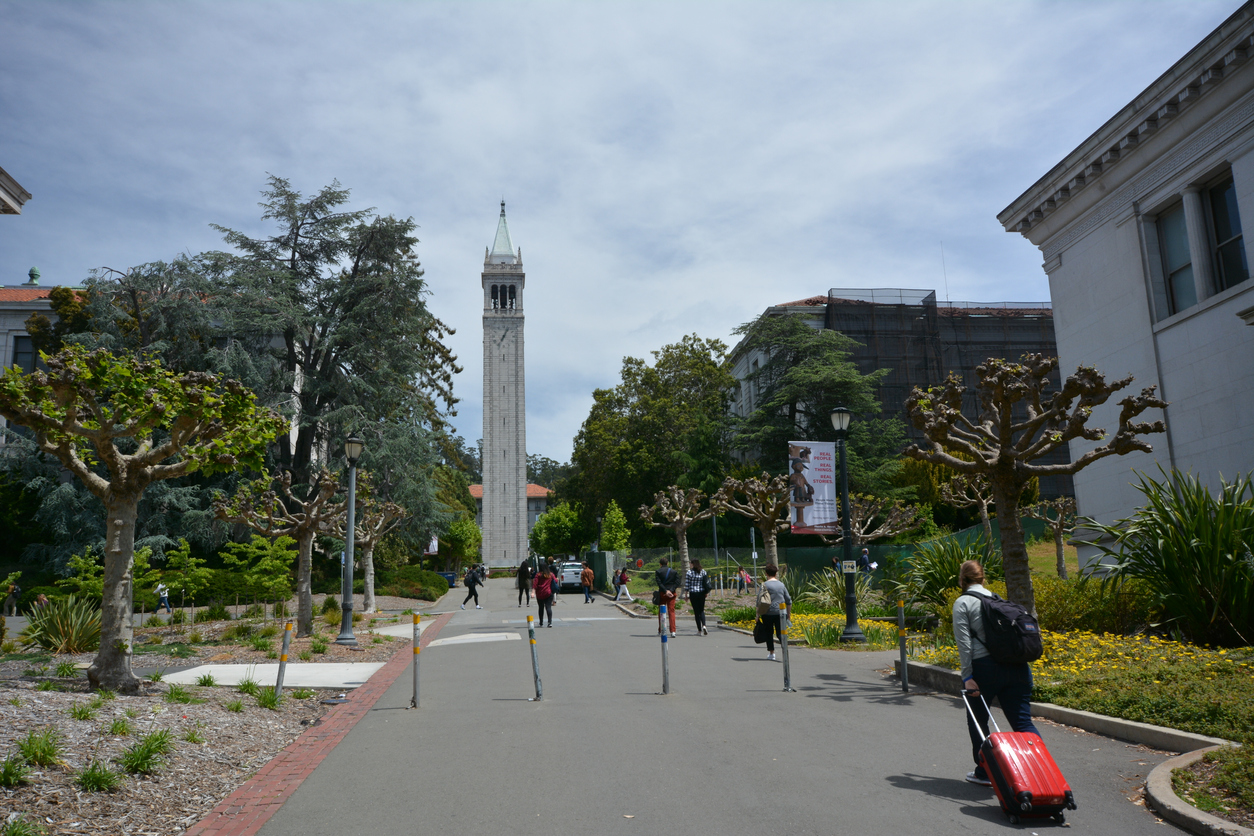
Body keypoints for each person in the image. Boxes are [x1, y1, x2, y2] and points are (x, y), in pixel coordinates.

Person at [954, 559, 1041, 787]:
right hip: (1018, 667)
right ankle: (1039, 770)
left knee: (979, 722)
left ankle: (985, 772)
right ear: (983, 579)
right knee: (1023, 722)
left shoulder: (963, 603)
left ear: (962, 580)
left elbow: (965, 644)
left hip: (985, 669)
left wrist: (967, 677)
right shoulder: (997, 600)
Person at [758, 564, 791, 660]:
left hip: (767, 612)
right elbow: (788, 600)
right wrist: (788, 614)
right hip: (780, 612)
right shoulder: (781, 585)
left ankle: (772, 653)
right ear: (776, 573)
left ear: (766, 573)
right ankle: (785, 650)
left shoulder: (764, 585)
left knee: (769, 633)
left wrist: (757, 614)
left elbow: (759, 600)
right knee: (781, 633)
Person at [684, 558, 711, 635]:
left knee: (696, 611)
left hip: (693, 593)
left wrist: (686, 595)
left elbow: (687, 585)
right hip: (701, 592)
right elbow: (705, 583)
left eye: (690, 563)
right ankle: (704, 625)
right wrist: (706, 592)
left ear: (693, 564)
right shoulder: (703, 572)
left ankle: (699, 630)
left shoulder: (689, 572)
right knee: (701, 610)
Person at [655, 557, 680, 637]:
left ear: (660, 564)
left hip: (662, 593)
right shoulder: (673, 572)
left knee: (661, 612)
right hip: (672, 594)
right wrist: (671, 590)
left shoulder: (658, 572)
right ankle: (673, 631)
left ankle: (661, 630)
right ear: (668, 563)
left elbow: (659, 583)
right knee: (671, 611)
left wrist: (665, 591)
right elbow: (677, 582)